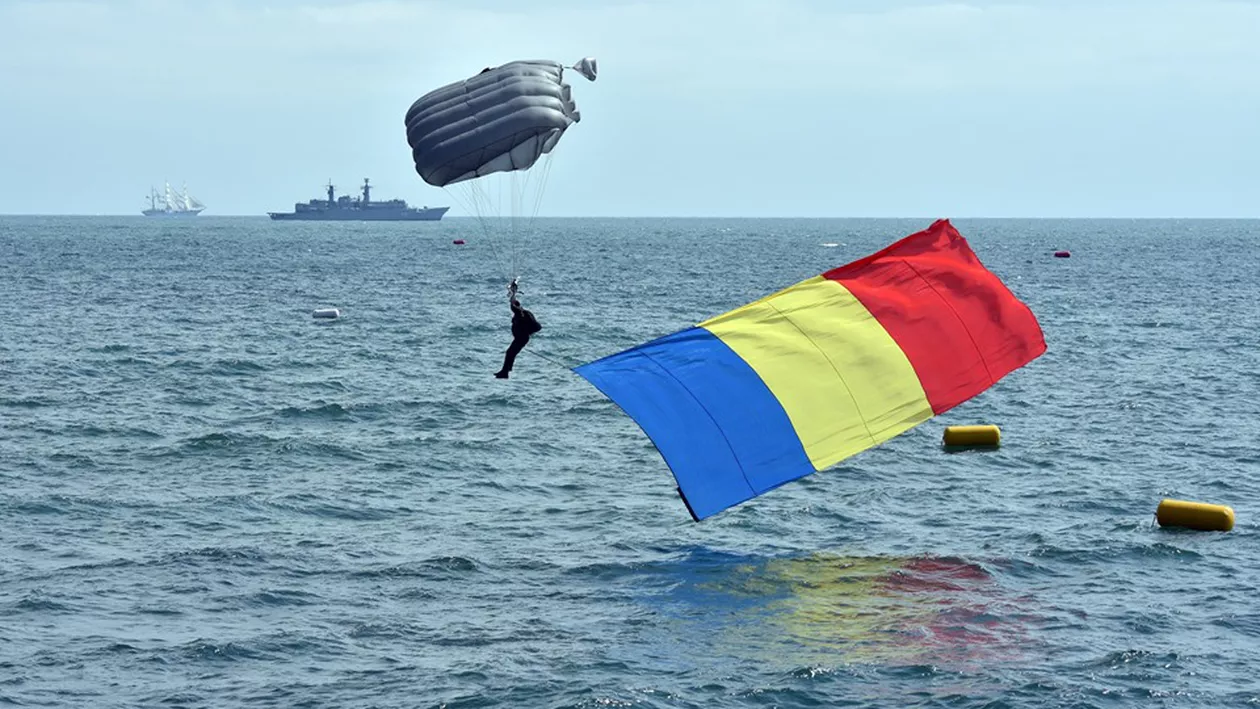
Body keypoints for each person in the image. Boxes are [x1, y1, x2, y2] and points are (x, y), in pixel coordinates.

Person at [495, 279, 541, 379]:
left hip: (522, 339)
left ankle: (505, 372)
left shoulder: (523, 315)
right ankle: (506, 370)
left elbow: (538, 327)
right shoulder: (521, 313)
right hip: (520, 338)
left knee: (510, 353)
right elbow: (513, 303)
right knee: (510, 353)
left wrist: (528, 332)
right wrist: (513, 292)